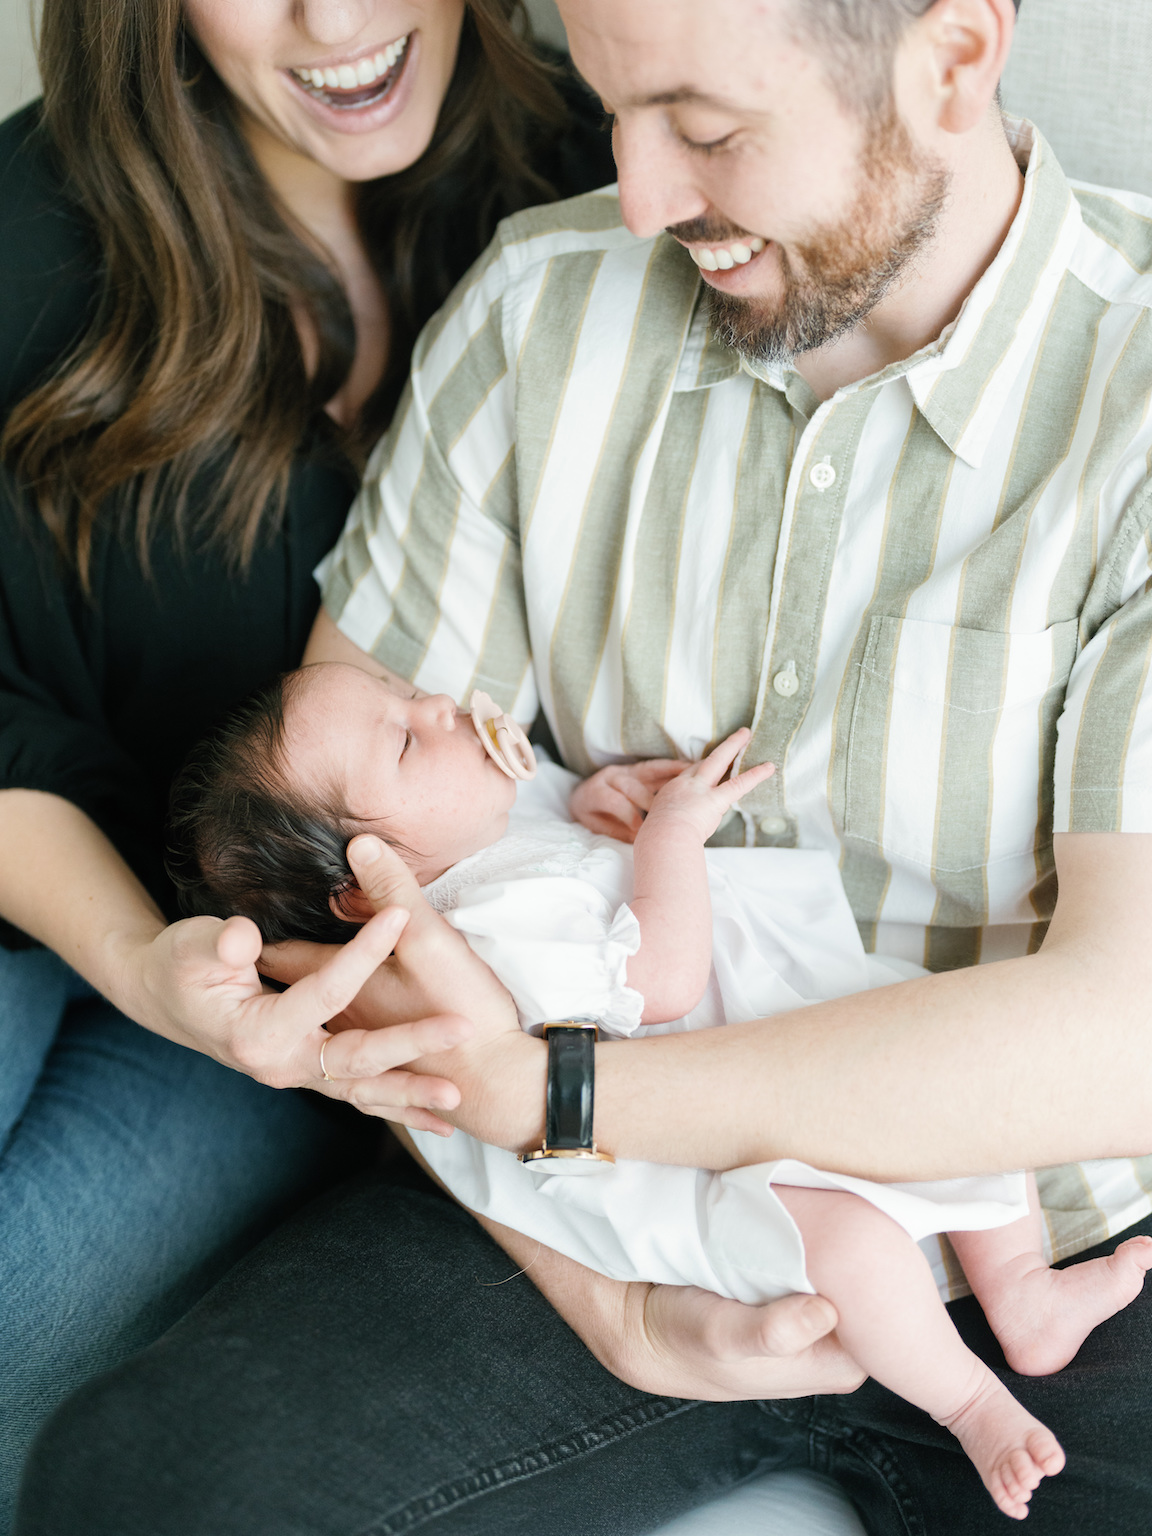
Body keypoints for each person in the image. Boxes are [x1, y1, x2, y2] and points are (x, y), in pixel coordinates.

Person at [15, 0, 1152, 1532]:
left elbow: (1118, 1032)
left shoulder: (1134, 396)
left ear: (952, 59)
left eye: (705, 127)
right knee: (136, 1491)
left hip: (1063, 1242)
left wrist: (566, 1089)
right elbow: (357, 902)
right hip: (612, 1225)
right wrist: (606, 1295)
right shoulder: (539, 309)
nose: (638, 198)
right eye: (615, 113)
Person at [0, 0, 613, 1521]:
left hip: (311, 1006)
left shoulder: (610, 171)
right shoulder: (32, 242)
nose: (336, 22)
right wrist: (144, 962)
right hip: (58, 894)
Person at [168, 658, 1152, 1519]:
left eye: (406, 691)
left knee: (974, 1071)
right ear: (366, 885)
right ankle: (969, 1400)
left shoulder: (489, 823)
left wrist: (594, 805)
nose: (440, 708)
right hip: (690, 1150)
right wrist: (667, 837)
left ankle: (1022, 1293)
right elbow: (659, 980)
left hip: (776, 1045)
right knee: (851, 1240)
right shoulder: (481, 937)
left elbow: (564, 835)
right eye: (406, 743)